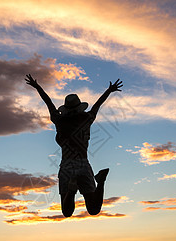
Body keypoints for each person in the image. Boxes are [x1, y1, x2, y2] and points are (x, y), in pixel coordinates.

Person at [25, 74, 123, 217]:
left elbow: (48, 102)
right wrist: (109, 90)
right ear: (79, 107)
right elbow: (97, 105)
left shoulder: (59, 120)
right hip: (83, 163)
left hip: (67, 165)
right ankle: (101, 181)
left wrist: (37, 86)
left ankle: (71, 190)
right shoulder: (86, 118)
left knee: (67, 212)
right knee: (94, 209)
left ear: (66, 108)